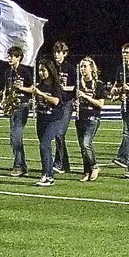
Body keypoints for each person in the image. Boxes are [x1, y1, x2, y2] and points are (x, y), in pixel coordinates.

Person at [31, 60, 68, 187]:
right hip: (42, 118)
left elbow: (56, 101)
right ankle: (45, 173)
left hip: (54, 119)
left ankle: (49, 176)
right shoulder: (39, 85)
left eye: (43, 70)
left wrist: (41, 94)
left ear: (50, 71)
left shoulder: (55, 86)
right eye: (40, 70)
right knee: (44, 147)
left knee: (44, 144)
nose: (41, 73)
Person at [74, 56, 106, 181]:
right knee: (82, 146)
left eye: (85, 66)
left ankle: (94, 166)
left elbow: (100, 104)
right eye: (81, 66)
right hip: (80, 117)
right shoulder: (78, 83)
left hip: (93, 117)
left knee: (86, 143)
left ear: (91, 68)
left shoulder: (98, 84)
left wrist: (86, 97)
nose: (82, 69)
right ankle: (86, 171)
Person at [5, 46, 33, 177]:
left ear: (18, 58)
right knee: (13, 138)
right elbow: (6, 88)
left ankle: (18, 165)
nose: (9, 58)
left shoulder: (25, 71)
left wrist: (21, 88)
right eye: (9, 56)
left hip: (22, 105)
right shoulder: (8, 72)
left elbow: (33, 88)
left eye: (12, 56)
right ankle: (22, 165)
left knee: (15, 136)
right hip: (12, 106)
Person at [112, 43, 129, 167]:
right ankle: (126, 157)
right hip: (125, 103)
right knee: (127, 132)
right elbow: (117, 83)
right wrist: (114, 91)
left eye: (127, 52)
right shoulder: (120, 68)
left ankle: (124, 157)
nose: (124, 55)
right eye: (123, 52)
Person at [50, 41, 73, 174]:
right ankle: (64, 164)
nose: (56, 55)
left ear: (64, 53)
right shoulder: (52, 68)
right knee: (57, 134)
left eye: (59, 52)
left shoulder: (69, 68)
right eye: (55, 52)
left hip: (66, 103)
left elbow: (75, 87)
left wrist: (64, 88)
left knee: (60, 133)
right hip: (56, 103)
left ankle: (59, 162)